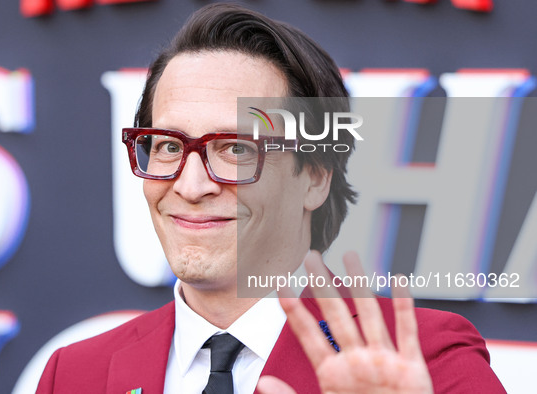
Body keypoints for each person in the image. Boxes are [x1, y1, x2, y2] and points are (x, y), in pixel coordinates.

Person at [36, 3, 505, 393]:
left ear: (315, 177)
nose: (191, 185)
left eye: (237, 149)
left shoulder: (429, 361)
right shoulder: (76, 375)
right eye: (169, 146)